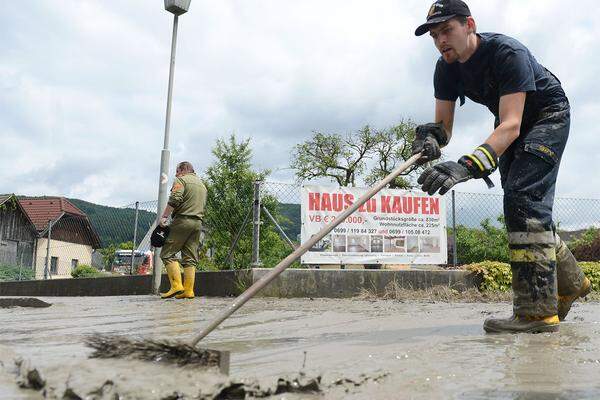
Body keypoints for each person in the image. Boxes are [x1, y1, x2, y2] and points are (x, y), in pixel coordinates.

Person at [412, 0, 590, 333]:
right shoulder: (445, 68)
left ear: (469, 25)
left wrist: (466, 165)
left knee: (522, 198)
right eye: (434, 35)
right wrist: (430, 139)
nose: (441, 41)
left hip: (547, 115)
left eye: (447, 30)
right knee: (524, 206)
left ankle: (536, 313)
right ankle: (571, 283)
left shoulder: (508, 53)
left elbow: (510, 125)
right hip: (511, 120)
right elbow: (444, 129)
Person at [158, 161, 207, 299]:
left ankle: (176, 285)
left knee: (167, 253)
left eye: (177, 171)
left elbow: (175, 198)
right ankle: (188, 290)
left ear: (183, 170)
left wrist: (164, 217)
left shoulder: (181, 180)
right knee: (190, 257)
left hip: (182, 221)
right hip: (198, 223)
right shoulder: (202, 185)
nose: (175, 174)